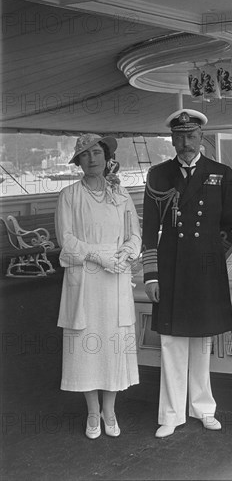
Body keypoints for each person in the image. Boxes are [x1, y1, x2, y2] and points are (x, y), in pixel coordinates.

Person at [142, 109, 232, 438]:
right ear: (172, 139)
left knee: (202, 341)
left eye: (192, 136)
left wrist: (213, 255)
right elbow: (150, 230)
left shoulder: (221, 173)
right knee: (171, 342)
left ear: (202, 138)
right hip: (170, 269)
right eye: (180, 137)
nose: (185, 143)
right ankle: (170, 414)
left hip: (206, 270)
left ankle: (203, 408)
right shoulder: (158, 175)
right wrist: (151, 275)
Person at [55, 134, 141, 439]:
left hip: (115, 280)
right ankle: (92, 412)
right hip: (86, 282)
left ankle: (110, 410)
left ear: (106, 158)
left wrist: (127, 254)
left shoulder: (121, 194)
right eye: (85, 154)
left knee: (112, 343)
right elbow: (66, 240)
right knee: (86, 345)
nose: (92, 159)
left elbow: (134, 234)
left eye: (97, 153)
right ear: (78, 162)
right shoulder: (69, 196)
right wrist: (98, 256)